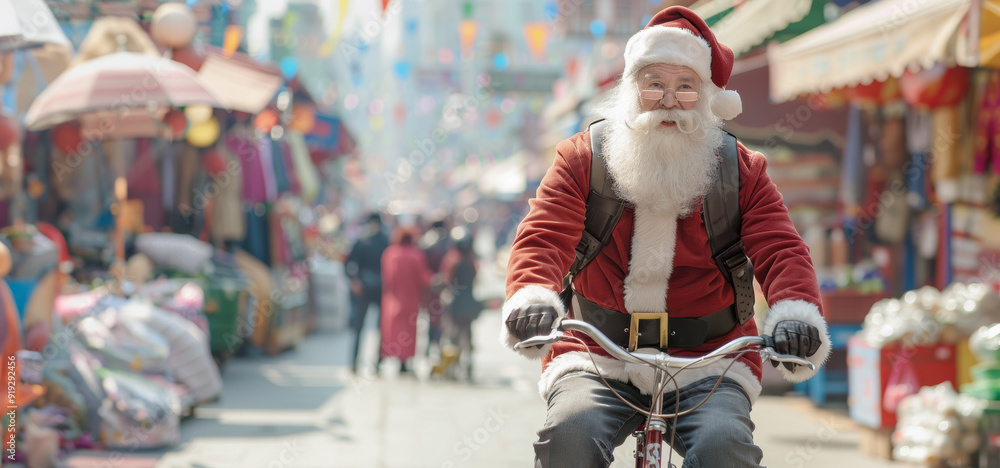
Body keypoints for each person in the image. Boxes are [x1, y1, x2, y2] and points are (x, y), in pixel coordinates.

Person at [500, 7, 831, 467]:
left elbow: (781, 248)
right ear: (630, 90)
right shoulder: (582, 159)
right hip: (597, 352)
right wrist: (532, 295)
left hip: (710, 359)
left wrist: (796, 312)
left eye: (686, 85)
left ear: (707, 95)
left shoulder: (742, 171)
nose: (670, 100)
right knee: (569, 435)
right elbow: (543, 235)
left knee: (726, 448)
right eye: (654, 83)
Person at [379, 226, 430, 373]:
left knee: (392, 331)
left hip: (392, 299)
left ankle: (393, 357)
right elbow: (422, 279)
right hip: (411, 300)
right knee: (408, 332)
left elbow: (387, 278)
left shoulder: (389, 254)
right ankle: (405, 360)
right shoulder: (416, 255)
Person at [345, 212, 389, 373]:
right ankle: (355, 362)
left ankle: (378, 363)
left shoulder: (384, 242)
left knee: (380, 328)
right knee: (360, 327)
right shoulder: (363, 242)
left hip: (379, 289)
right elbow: (349, 265)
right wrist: (355, 280)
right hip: (365, 287)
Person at [439, 235, 481, 379]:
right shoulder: (472, 262)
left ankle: (452, 367)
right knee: (467, 335)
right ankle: (468, 365)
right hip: (469, 302)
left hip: (455, 303)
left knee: (453, 336)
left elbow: (447, 280)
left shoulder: (452, 261)